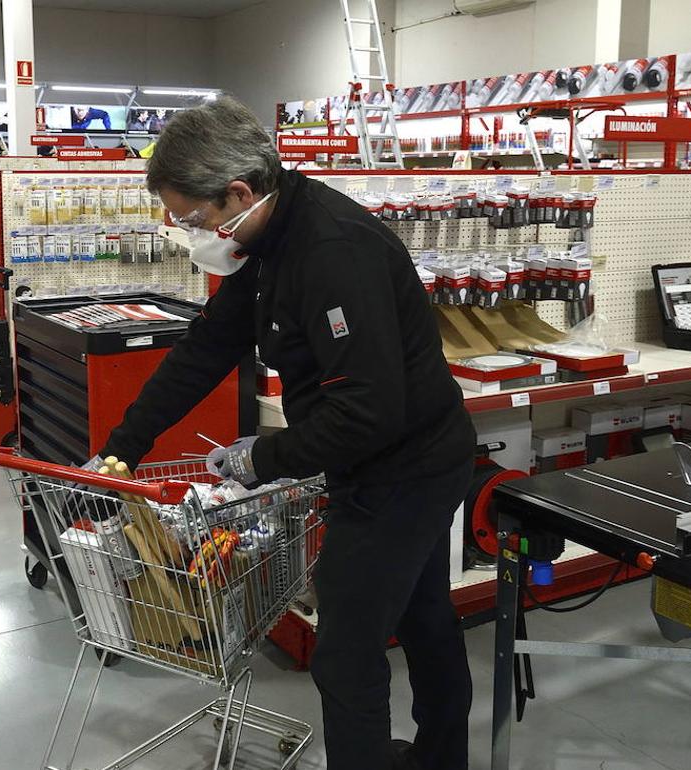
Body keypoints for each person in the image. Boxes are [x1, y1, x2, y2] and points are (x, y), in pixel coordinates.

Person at [95, 97, 476, 770]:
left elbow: (368, 410)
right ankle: (442, 757)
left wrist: (264, 457)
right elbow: (207, 347)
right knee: (421, 615)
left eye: (193, 218)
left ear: (238, 191)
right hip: (378, 458)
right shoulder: (270, 239)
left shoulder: (333, 251)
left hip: (407, 467)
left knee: (345, 652)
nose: (192, 232)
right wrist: (127, 443)